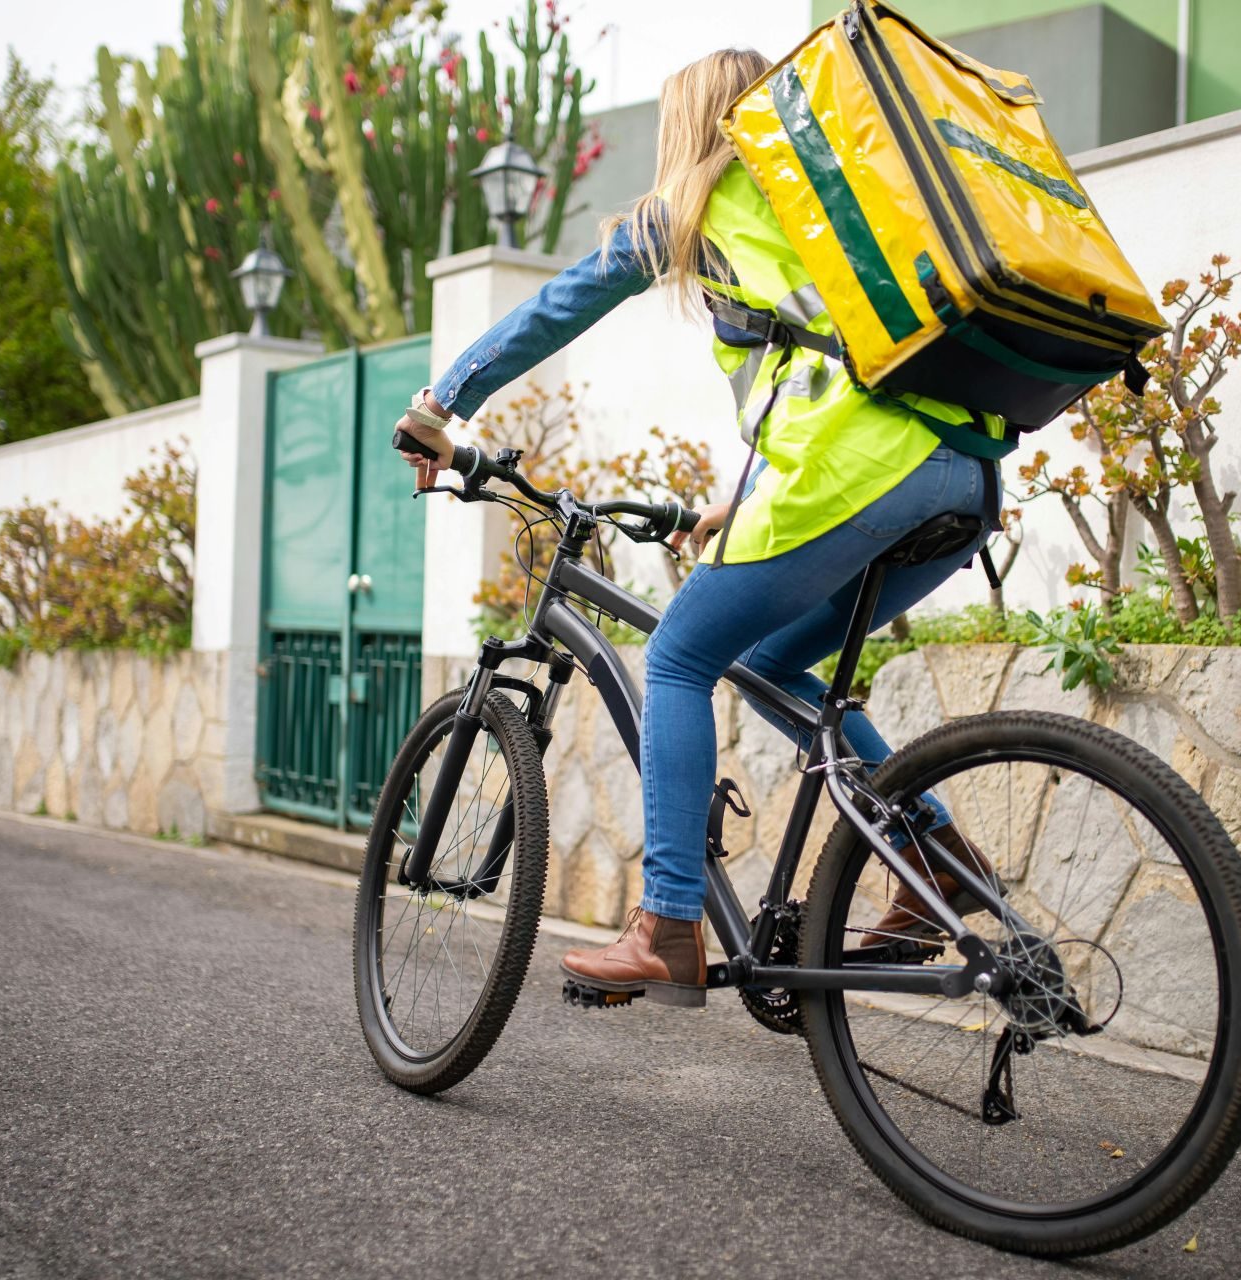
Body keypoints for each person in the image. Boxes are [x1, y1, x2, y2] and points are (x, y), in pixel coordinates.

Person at [395, 48, 1007, 1007]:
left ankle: (666, 924)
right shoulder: (832, 207)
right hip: (961, 475)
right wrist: (743, 499)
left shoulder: (692, 203)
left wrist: (443, 406)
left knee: (680, 656)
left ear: (692, 129)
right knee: (767, 659)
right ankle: (938, 857)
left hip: (859, 475)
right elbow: (830, 365)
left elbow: (555, 308)